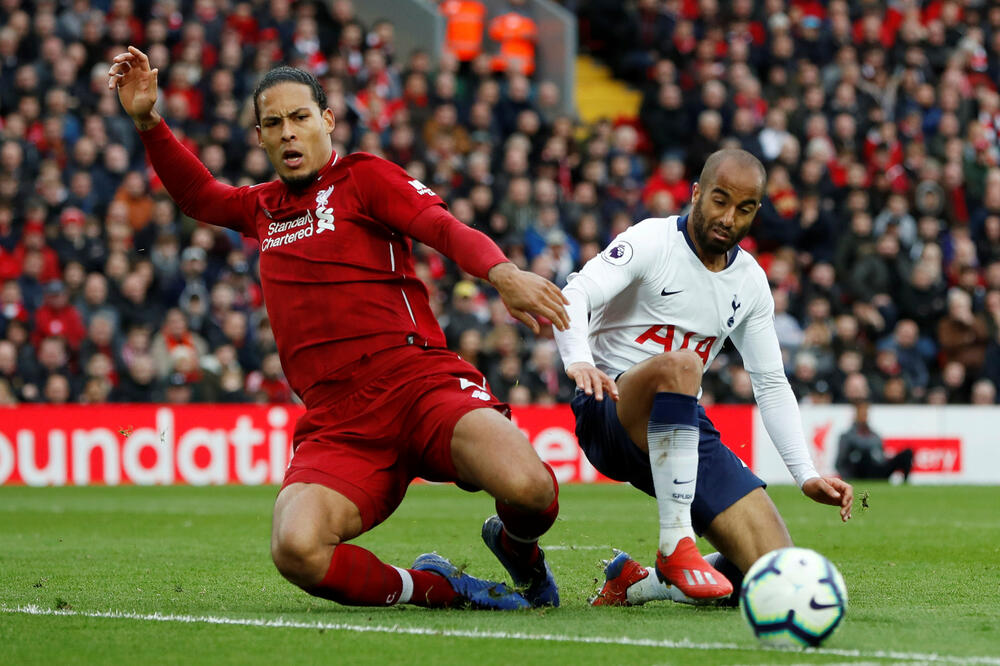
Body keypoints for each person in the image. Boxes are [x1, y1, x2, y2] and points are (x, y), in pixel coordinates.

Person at [109, 46, 570, 610]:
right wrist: (149, 122)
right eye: (273, 123)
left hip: (418, 384)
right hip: (338, 422)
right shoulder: (261, 207)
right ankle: (440, 588)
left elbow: (440, 226)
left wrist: (502, 272)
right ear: (260, 138)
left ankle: (518, 549)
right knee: (296, 548)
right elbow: (198, 196)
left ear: (327, 120)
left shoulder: (364, 177)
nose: (287, 132)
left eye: (299, 117)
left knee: (530, 488)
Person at [553, 149, 853, 607]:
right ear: (696, 194)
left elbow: (771, 384)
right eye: (719, 200)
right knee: (684, 365)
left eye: (744, 208)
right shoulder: (652, 240)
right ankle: (676, 543)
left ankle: (639, 583)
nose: (728, 218)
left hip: (680, 424)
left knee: (776, 576)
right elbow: (575, 294)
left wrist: (806, 474)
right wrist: (578, 360)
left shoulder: (750, 281)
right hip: (610, 408)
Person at [835, 401, 913, 483]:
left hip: (877, 468)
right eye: (861, 413)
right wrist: (849, 479)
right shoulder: (847, 436)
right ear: (855, 415)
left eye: (865, 413)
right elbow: (840, 462)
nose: (864, 416)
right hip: (860, 472)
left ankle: (905, 482)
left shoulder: (875, 435)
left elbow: (881, 456)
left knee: (907, 453)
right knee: (864, 454)